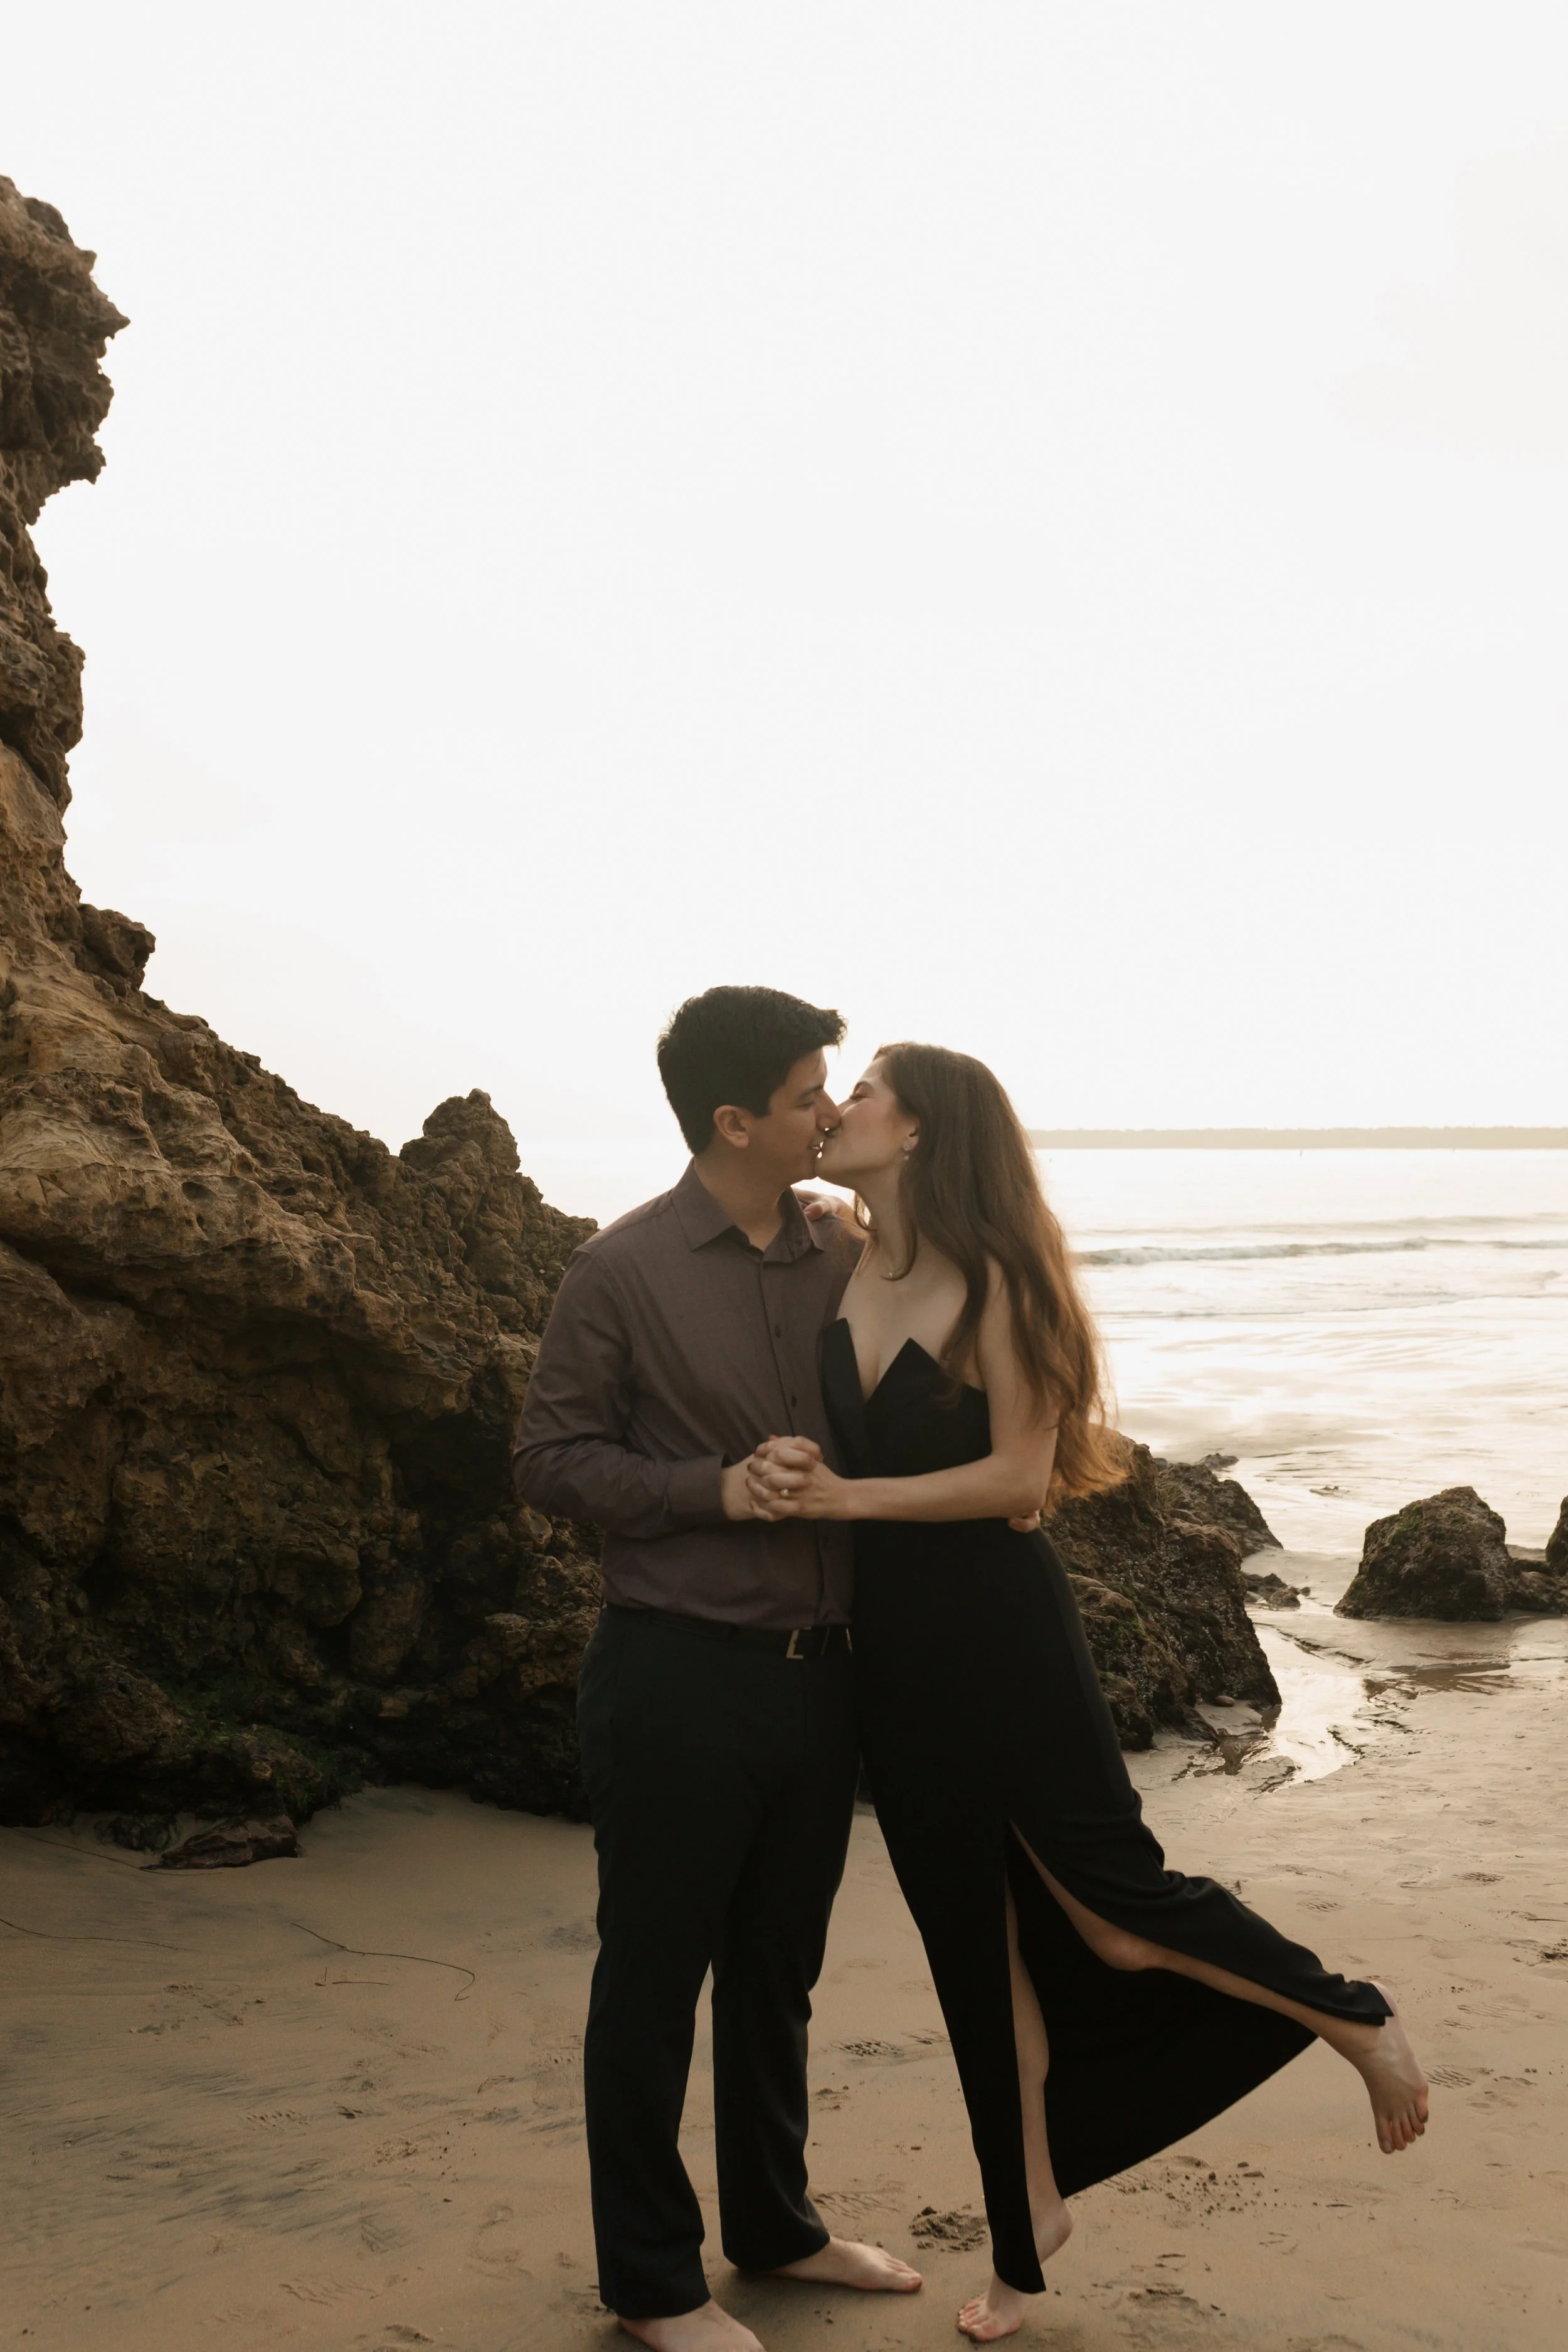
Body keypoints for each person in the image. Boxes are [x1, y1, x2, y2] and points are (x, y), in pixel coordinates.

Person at [746, 1042, 1431, 2344]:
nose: (841, 1107)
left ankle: (1354, 2015)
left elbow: (1019, 1479)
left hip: (1001, 1636)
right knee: (973, 1953)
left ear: (922, 1130)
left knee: (1116, 1911)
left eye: (866, 1091)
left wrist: (844, 1497)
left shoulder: (1001, 1281)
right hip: (890, 1657)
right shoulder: (839, 1255)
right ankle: (1026, 2229)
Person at [510, 986, 923, 2352]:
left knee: (776, 1974)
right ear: (736, 1121)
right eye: (810, 1094)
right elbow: (548, 1461)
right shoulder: (618, 1269)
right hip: (675, 1673)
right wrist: (717, 1487)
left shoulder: (841, 1247)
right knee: (652, 1980)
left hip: (824, 1675)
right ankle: (650, 2283)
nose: (831, 1110)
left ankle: (775, 2226)